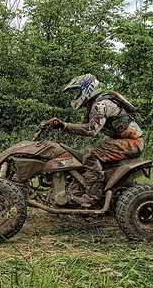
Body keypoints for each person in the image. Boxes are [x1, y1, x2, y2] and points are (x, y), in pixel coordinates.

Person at [48, 73, 145, 207]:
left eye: (76, 92)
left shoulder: (101, 105)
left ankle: (93, 195)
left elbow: (91, 130)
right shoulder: (92, 106)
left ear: (87, 89)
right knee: (81, 155)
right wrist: (61, 125)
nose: (74, 96)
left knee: (90, 152)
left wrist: (63, 125)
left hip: (133, 142)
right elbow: (83, 127)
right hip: (127, 142)